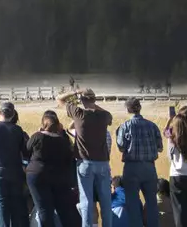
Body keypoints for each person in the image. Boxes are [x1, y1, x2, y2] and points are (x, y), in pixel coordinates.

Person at [27, 110, 79, 227]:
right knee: (63, 209)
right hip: (59, 177)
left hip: (37, 174)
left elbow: (27, 149)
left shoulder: (38, 137)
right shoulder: (63, 141)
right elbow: (69, 159)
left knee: (44, 209)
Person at [114, 98, 160, 227]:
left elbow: (121, 147)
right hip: (149, 166)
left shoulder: (125, 126)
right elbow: (159, 146)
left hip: (132, 167)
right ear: (140, 107)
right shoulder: (152, 125)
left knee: (133, 203)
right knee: (152, 203)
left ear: (128, 109)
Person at [69, 90, 112, 227]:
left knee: (86, 201)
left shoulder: (79, 114)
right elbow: (109, 116)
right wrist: (94, 106)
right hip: (103, 163)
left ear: (82, 101)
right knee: (106, 201)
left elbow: (60, 99)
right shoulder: (103, 116)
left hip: (85, 162)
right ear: (94, 100)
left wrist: (75, 92)